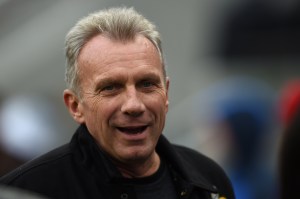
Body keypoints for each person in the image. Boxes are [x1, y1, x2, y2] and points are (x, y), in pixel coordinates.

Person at [0, 7, 235, 199]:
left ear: (166, 94)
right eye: (110, 88)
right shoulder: (26, 190)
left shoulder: (209, 179)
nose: (133, 105)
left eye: (146, 84)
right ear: (75, 106)